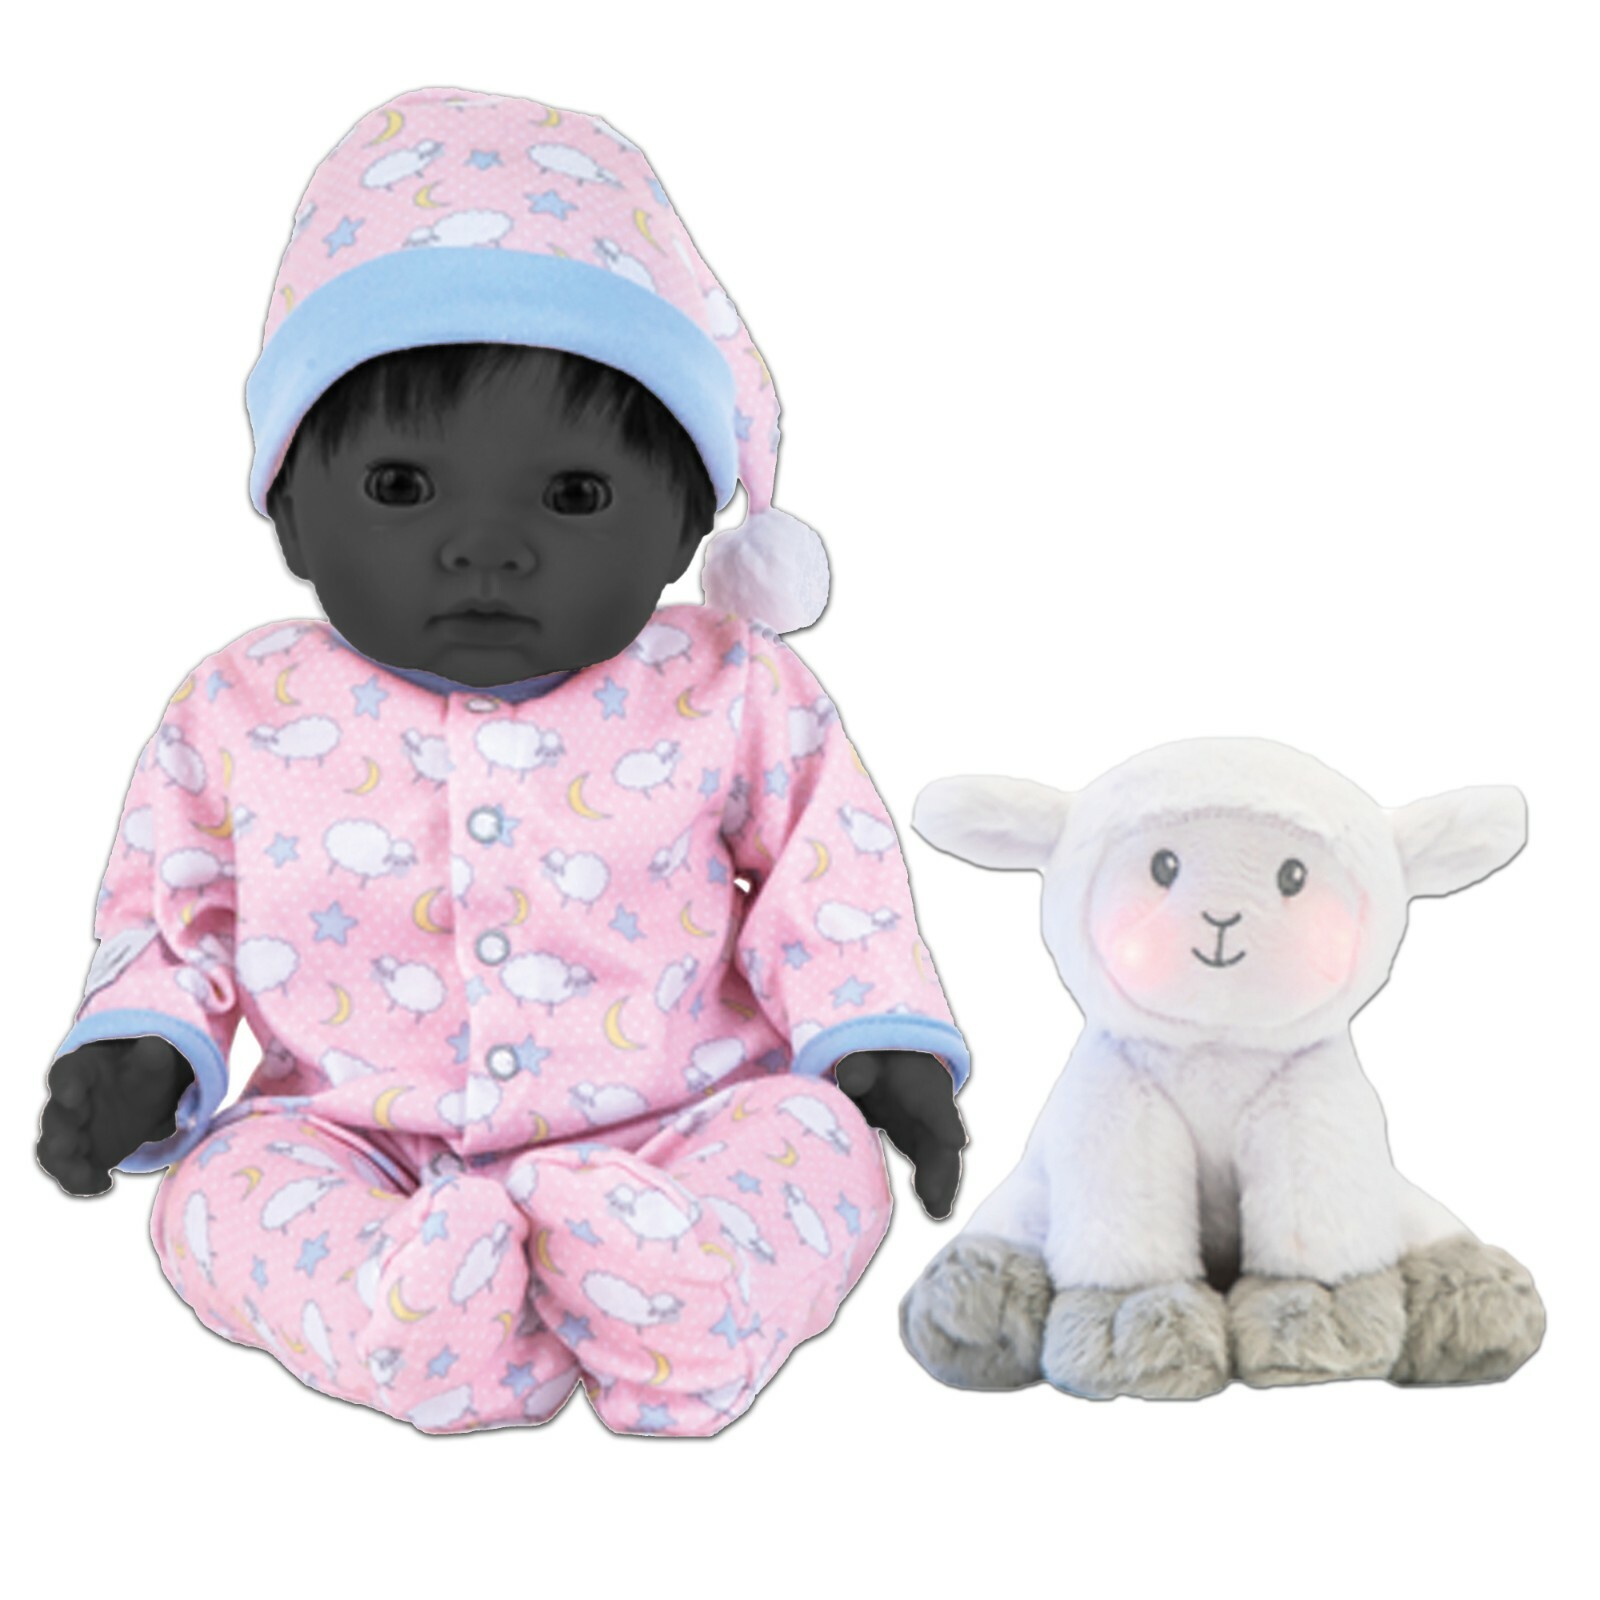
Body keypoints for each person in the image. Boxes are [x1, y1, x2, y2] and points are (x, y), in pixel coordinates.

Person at [35, 86, 969, 1438]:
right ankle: (413, 1316)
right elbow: (172, 909)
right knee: (217, 1204)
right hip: (356, 1137)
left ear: (685, 526)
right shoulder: (240, 708)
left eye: (575, 494)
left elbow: (834, 877)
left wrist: (874, 1037)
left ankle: (680, 1293)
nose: (485, 547)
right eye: (400, 488)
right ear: (289, 513)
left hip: (682, 1126)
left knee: (822, 1155)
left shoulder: (730, 688)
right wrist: (141, 1042)